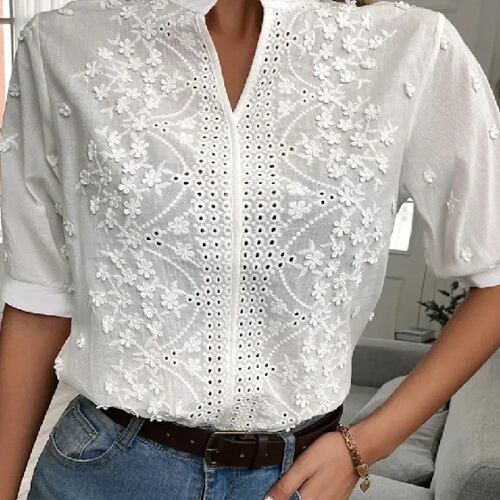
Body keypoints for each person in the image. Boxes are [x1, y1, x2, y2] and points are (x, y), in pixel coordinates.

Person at [0, 0, 499, 498]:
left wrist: (366, 444)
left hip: (295, 479)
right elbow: (36, 302)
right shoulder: (61, 44)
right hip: (104, 473)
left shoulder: (412, 47)